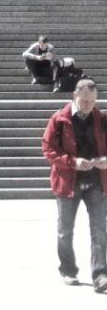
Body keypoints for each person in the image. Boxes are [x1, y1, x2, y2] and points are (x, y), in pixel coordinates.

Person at [40, 77, 107, 292]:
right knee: (64, 230)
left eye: (92, 101)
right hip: (68, 182)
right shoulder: (59, 119)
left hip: (97, 181)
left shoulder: (102, 119)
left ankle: (101, 275)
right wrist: (72, 162)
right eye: (84, 101)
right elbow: (48, 149)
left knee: (99, 230)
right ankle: (68, 270)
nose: (88, 106)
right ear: (75, 96)